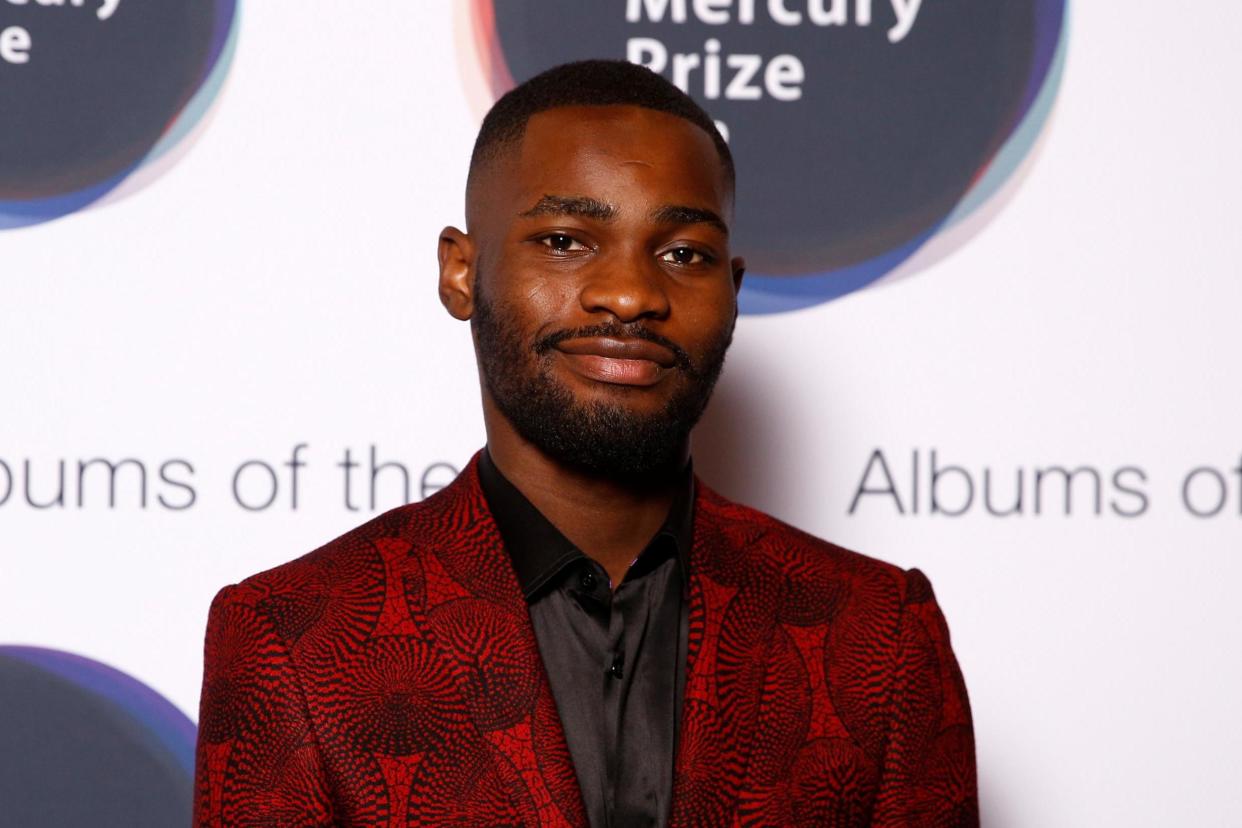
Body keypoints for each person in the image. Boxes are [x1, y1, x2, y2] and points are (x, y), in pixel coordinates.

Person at [193, 59, 977, 827]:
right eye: (566, 240)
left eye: (684, 254)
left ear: (732, 297)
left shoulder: (878, 635)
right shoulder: (293, 638)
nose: (632, 295)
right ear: (462, 274)